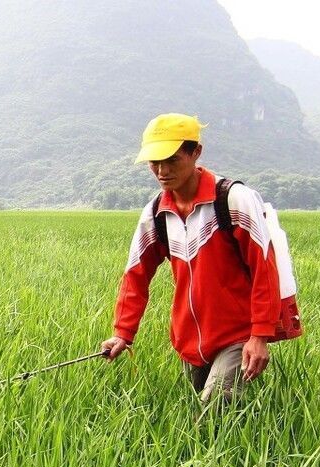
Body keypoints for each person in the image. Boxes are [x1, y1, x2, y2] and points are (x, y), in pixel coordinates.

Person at [100, 113, 283, 406]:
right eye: (154, 162)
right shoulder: (156, 212)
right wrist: (123, 333)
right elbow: (136, 274)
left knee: (213, 409)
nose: (162, 170)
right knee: (204, 413)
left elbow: (265, 268)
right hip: (189, 341)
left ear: (195, 152)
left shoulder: (233, 199)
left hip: (238, 332)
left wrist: (260, 334)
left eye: (171, 159)